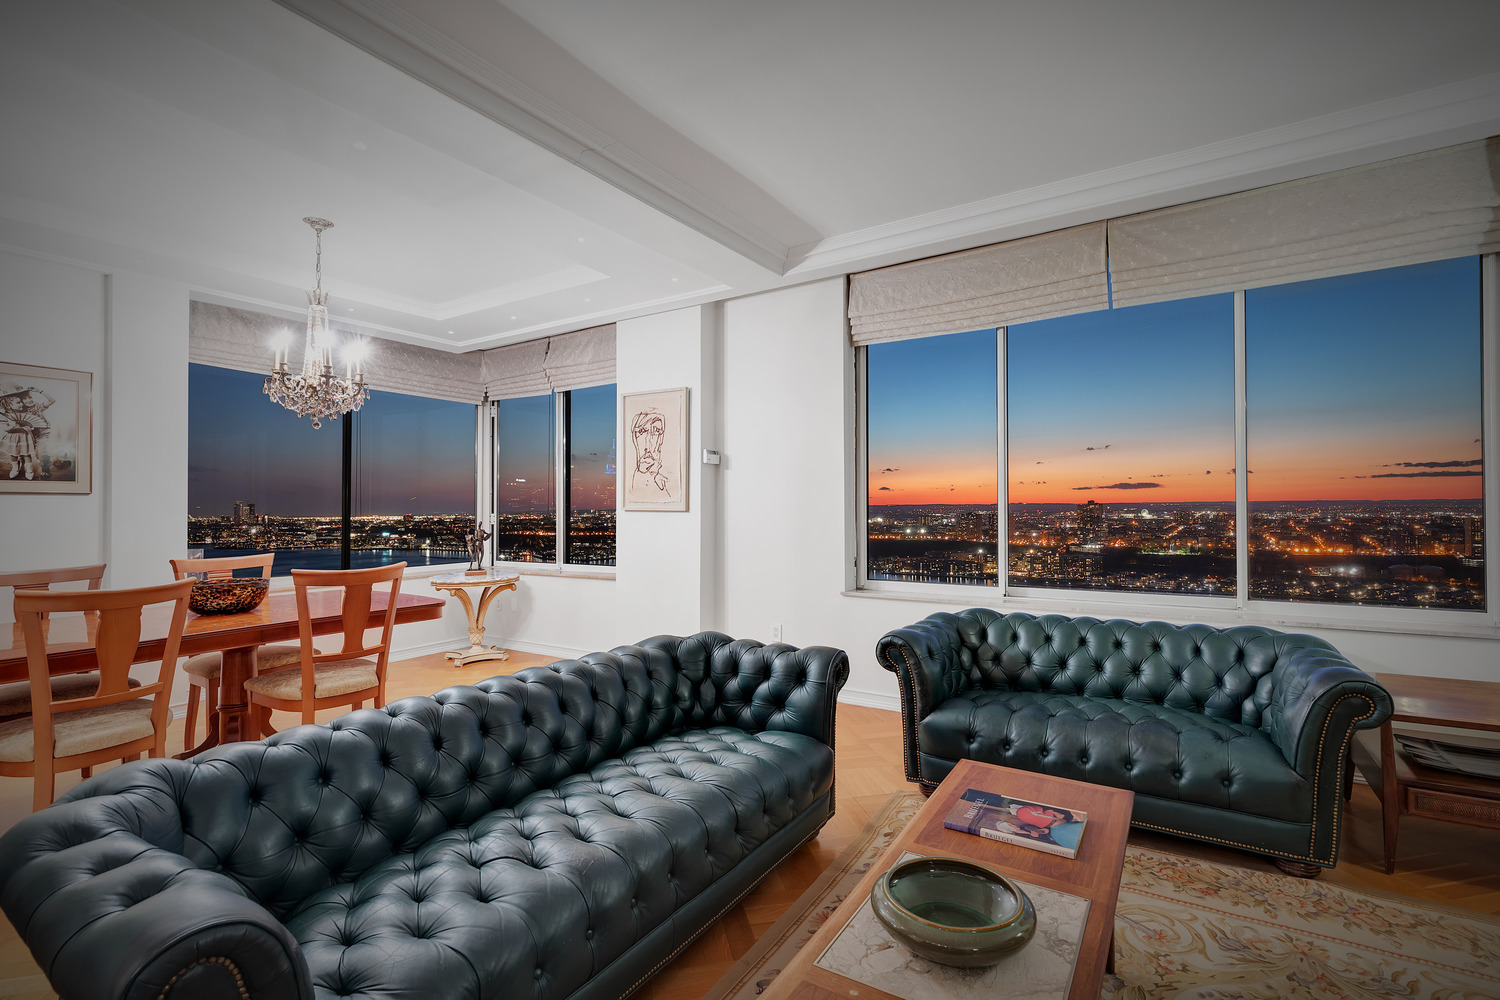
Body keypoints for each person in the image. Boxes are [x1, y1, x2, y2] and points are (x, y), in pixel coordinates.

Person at [0, 386, 54, 481]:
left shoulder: (37, 407)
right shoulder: (19, 410)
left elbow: (52, 400)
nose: (28, 400)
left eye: (30, 397)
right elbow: (8, 407)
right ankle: (21, 467)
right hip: (28, 434)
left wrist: (40, 391)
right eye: (24, 399)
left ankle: (45, 468)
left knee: (40, 452)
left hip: (41, 433)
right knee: (21, 450)